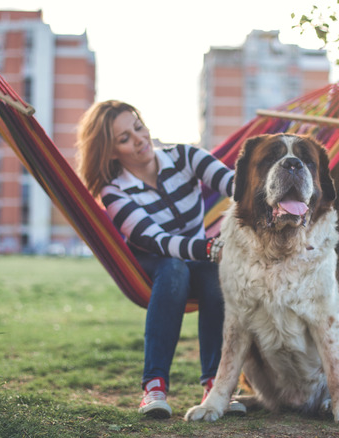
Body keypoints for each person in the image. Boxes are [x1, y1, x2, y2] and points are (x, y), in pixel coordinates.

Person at [76, 100, 243, 419]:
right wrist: (209, 249)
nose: (139, 139)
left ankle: (216, 385)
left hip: (197, 257)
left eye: (138, 127)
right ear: (111, 152)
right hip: (153, 266)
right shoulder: (114, 192)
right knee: (174, 267)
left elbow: (234, 185)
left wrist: (268, 189)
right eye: (124, 138)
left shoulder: (185, 156)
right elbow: (157, 241)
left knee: (212, 274)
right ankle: (154, 386)